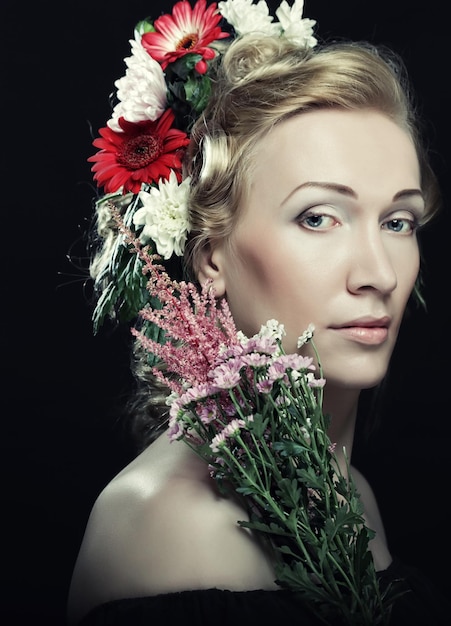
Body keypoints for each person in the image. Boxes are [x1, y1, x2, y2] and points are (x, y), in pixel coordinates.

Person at [67, 1, 449, 624]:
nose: (379, 274)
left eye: (397, 220)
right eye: (318, 217)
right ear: (211, 255)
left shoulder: (351, 496)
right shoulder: (165, 526)